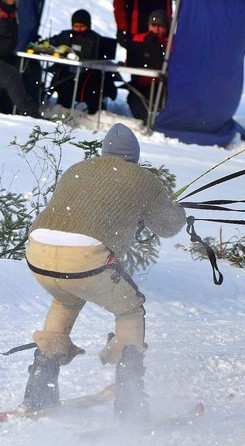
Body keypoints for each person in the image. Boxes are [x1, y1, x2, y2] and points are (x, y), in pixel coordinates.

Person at [20, 123, 186, 422]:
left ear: (104, 152)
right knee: (129, 309)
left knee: (66, 298)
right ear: (134, 157)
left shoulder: (77, 169)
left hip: (38, 251)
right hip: (84, 258)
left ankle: (39, 390)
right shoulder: (142, 179)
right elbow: (168, 226)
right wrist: (178, 210)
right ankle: (130, 401)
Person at [45, 9, 117, 114]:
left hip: (88, 79)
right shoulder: (65, 36)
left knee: (93, 87)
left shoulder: (97, 40)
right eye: (76, 26)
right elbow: (50, 43)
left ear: (88, 26)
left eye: (82, 27)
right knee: (64, 87)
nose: (78, 30)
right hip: (67, 77)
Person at [126, 9, 169, 123]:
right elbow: (130, 60)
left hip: (163, 87)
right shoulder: (138, 39)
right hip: (142, 85)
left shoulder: (171, 43)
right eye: (153, 25)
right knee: (133, 99)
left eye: (160, 26)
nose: (156, 29)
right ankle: (145, 123)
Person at [0, 0, 41, 117]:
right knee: (11, 75)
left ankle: (34, 108)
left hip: (6, 56)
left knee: (31, 66)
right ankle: (31, 114)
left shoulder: (13, 12)